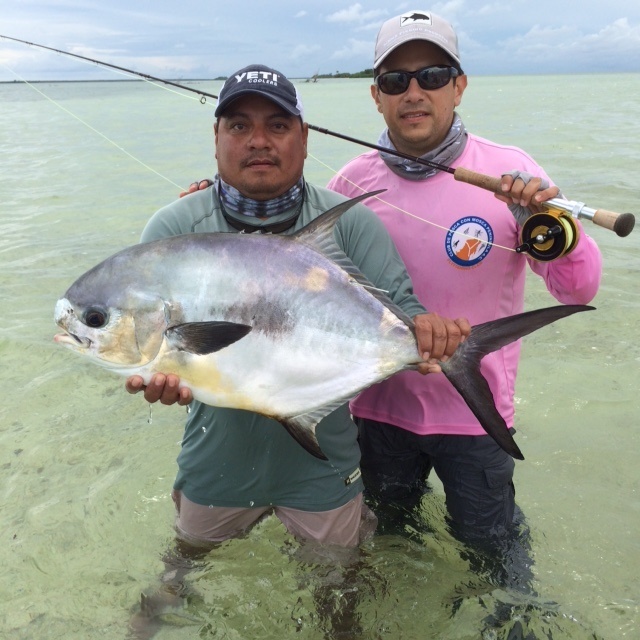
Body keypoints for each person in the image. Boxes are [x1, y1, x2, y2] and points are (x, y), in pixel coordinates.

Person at [125, 63, 469, 553]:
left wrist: (429, 338)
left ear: (304, 138)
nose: (258, 140)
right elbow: (155, 335)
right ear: (216, 136)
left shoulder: (352, 225)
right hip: (214, 460)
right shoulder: (174, 230)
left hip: (323, 462)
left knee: (341, 594)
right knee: (180, 580)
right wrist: (160, 369)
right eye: (239, 125)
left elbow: (406, 316)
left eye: (278, 125)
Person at [326, 11, 602, 554]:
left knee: (495, 561)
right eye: (394, 80)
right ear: (376, 97)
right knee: (390, 551)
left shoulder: (511, 174)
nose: (414, 91)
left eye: (431, 76)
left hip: (475, 418)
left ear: (459, 86)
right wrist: (209, 208)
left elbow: (579, 290)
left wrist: (539, 224)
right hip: (376, 413)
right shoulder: (349, 184)